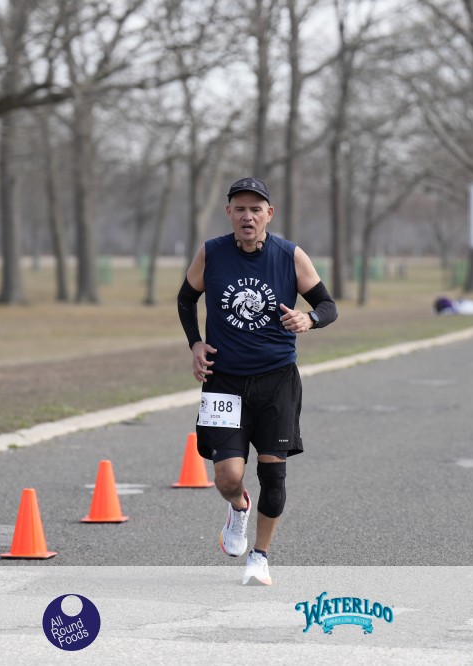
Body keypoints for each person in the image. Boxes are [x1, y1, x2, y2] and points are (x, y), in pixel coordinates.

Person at [176, 177, 338, 586]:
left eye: (255, 209)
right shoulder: (212, 253)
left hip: (276, 380)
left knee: (273, 475)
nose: (247, 216)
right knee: (228, 477)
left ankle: (260, 556)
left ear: (269, 213)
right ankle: (238, 507)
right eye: (240, 209)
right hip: (224, 381)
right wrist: (196, 343)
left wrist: (309, 319)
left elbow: (327, 305)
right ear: (229, 213)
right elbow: (186, 298)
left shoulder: (289, 255)